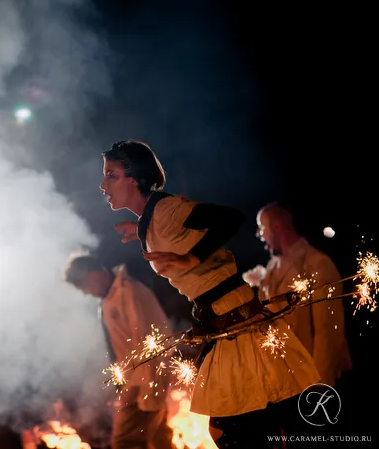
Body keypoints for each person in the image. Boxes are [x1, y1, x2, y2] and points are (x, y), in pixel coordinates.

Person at [98, 139, 320, 449]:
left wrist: (192, 257)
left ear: (134, 180)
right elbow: (169, 229)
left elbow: (229, 218)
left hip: (235, 319)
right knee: (249, 425)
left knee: (243, 427)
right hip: (223, 320)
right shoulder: (153, 218)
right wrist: (140, 230)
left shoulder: (165, 210)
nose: (102, 184)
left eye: (111, 175)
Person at [64, 253, 173, 449]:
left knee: (125, 443)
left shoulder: (129, 293)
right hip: (135, 382)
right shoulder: (109, 299)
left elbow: (150, 340)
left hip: (143, 384)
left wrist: (150, 390)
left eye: (83, 285)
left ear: (94, 273)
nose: (85, 292)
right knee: (159, 439)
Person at [248, 203, 352, 387]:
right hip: (277, 379)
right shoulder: (273, 264)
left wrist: (320, 387)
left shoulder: (318, 264)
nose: (259, 234)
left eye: (262, 227)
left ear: (278, 226)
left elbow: (327, 333)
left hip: (305, 382)